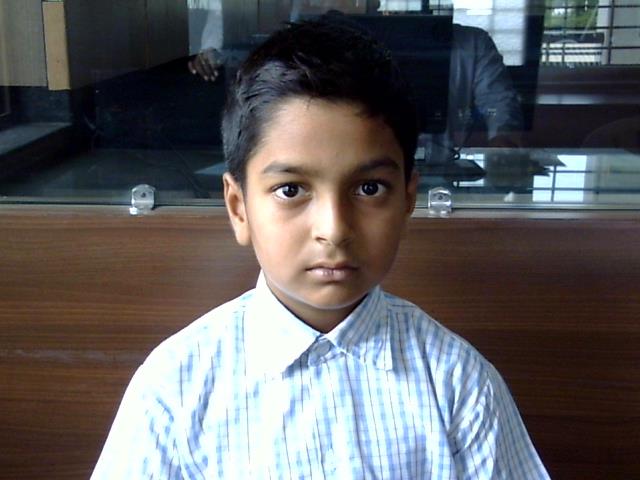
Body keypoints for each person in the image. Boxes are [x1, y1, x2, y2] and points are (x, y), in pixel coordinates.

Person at [92, 19, 550, 479]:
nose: (334, 229)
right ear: (239, 208)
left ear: (408, 198)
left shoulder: (458, 384)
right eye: (291, 190)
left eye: (369, 188)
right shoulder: (174, 388)